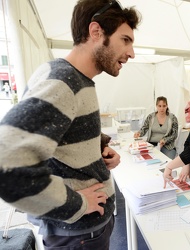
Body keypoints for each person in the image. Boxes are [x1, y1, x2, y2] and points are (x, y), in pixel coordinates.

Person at [0, 1, 141, 249]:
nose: (131, 52)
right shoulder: (64, 82)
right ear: (96, 31)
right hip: (80, 235)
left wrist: (99, 149)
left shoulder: (74, 78)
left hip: (84, 232)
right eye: (125, 40)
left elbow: (60, 136)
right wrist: (76, 204)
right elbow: (7, 163)